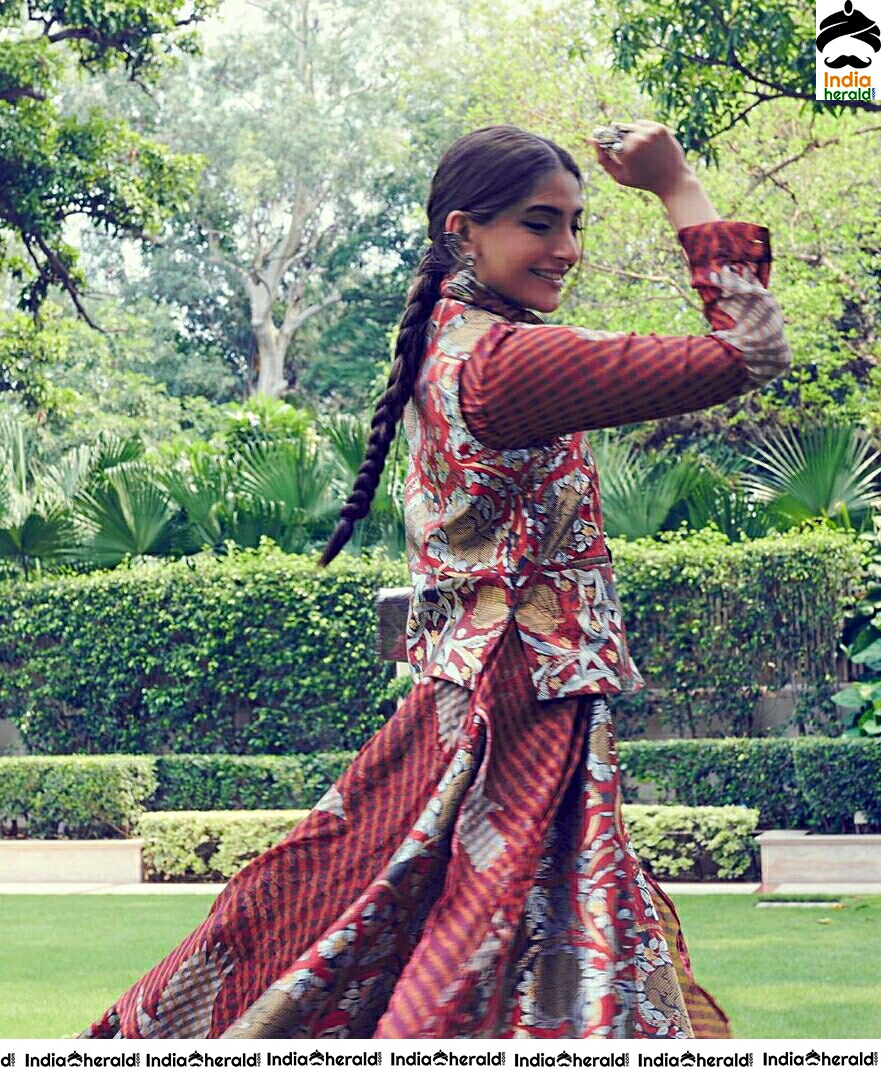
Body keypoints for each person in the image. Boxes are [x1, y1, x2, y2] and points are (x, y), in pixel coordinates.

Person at [82, 122, 789, 1040]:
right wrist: (675, 187)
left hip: (482, 689)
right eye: (541, 225)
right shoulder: (506, 362)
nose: (567, 251)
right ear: (464, 232)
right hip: (518, 700)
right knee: (479, 943)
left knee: (380, 909)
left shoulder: (455, 346)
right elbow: (749, 352)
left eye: (576, 225)